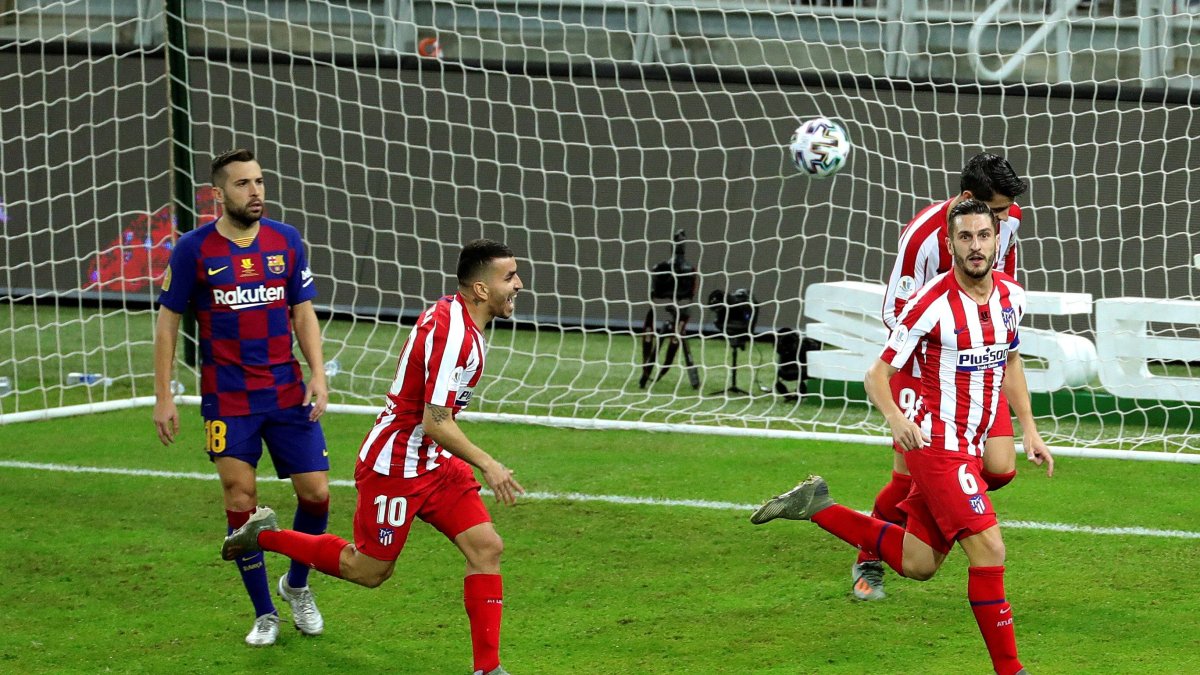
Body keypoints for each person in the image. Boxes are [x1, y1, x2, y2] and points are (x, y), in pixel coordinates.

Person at [220, 239, 526, 675]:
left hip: (432, 461)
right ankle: (262, 535)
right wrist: (488, 463)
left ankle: (488, 669)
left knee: (486, 547)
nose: (518, 284)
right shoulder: (453, 334)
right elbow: (436, 420)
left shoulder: (459, 317)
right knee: (368, 571)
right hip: (395, 465)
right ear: (480, 289)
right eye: (509, 277)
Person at [753, 199, 1031, 675]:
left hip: (971, 442)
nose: (976, 246)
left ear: (996, 240)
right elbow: (877, 374)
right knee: (990, 550)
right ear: (950, 244)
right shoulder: (931, 303)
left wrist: (1031, 429)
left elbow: (1009, 361)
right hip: (938, 447)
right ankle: (1012, 671)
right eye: (965, 238)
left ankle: (817, 506)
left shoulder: (1013, 296)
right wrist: (896, 420)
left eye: (984, 236)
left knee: (919, 562)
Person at [853, 153, 1055, 602]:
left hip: (975, 360)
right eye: (994, 212)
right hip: (920, 364)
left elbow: (998, 285)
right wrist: (941, 351)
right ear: (967, 199)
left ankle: (947, 503)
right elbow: (893, 312)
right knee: (908, 476)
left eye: (1000, 216)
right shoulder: (921, 237)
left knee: (1001, 466)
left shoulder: (1006, 221)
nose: (1002, 222)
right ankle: (870, 552)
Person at [153, 148, 332, 646]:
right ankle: (264, 613)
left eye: (260, 182)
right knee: (241, 499)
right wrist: (164, 395)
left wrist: (317, 373)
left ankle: (297, 585)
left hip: (286, 391)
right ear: (218, 194)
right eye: (242, 184)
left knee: (316, 494)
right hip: (228, 397)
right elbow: (168, 322)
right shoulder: (193, 249)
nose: (255, 192)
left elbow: (303, 312)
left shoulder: (286, 241)